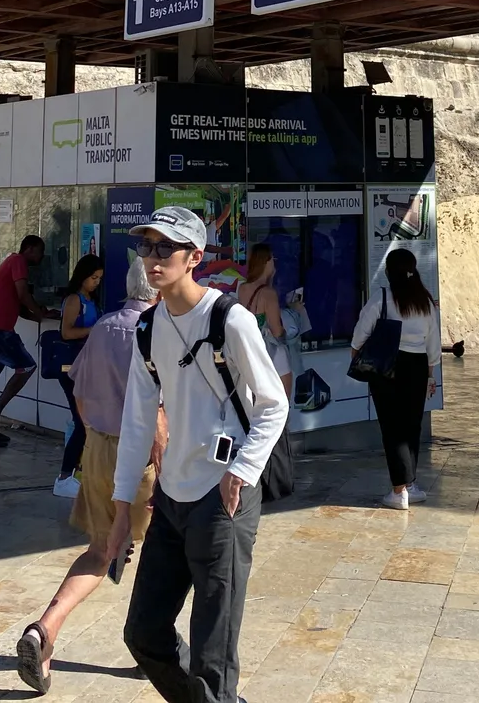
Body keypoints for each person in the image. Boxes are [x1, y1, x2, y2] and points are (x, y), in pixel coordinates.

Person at [107, 206, 288, 703]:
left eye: (166, 247)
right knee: (143, 634)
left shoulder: (230, 318)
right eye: (147, 247)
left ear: (194, 257)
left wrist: (243, 471)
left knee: (213, 660)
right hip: (171, 498)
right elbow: (138, 422)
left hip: (223, 498)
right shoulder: (147, 328)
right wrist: (123, 509)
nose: (153, 257)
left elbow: (275, 403)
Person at [15, 262, 165, 695]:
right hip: (141, 453)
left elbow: (79, 392)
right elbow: (158, 410)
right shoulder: (155, 331)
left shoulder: (102, 328)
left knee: (100, 550)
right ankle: (150, 646)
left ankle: (45, 629)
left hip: (98, 446)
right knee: (161, 552)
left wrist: (95, 440)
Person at [351, 246, 441, 510]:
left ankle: (398, 490)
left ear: (389, 272)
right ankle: (410, 485)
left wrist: (357, 357)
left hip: (387, 365)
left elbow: (360, 334)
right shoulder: (424, 300)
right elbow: (433, 342)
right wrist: (431, 373)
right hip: (417, 365)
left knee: (392, 428)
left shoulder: (382, 298)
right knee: (412, 426)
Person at [0, 234, 53, 446]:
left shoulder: (8, 263)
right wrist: (38, 312)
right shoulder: (18, 261)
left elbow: (17, 307)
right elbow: (22, 295)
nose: (41, 257)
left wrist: (39, 314)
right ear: (29, 249)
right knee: (26, 367)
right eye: (40, 251)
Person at [52, 253, 104, 498]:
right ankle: (64, 476)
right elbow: (66, 332)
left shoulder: (90, 299)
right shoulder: (74, 300)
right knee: (82, 423)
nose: (96, 282)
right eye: (93, 277)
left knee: (84, 422)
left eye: (99, 278)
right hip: (72, 368)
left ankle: (77, 472)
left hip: (88, 366)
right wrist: (93, 330)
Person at [238, 242, 293, 400]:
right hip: (272, 352)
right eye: (273, 259)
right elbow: (277, 331)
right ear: (267, 261)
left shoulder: (243, 288)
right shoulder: (269, 294)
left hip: (250, 349)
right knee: (282, 400)